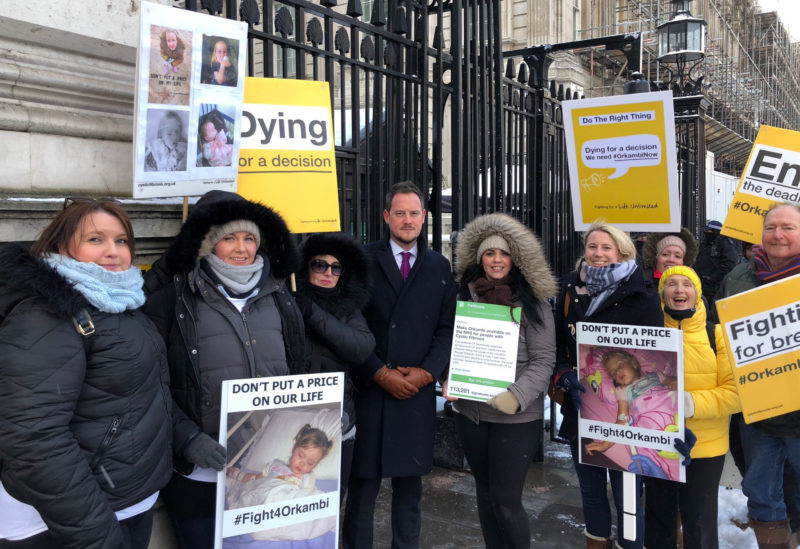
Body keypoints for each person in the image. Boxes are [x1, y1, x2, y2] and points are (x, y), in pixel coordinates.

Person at [0, 197, 175, 548]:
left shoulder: (122, 302)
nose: (113, 251)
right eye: (95, 239)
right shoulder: (46, 316)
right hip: (61, 524)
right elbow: (34, 440)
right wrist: (96, 536)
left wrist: (189, 438)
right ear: (62, 245)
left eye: (121, 240)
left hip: (126, 502)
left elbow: (141, 396)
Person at [143, 190, 305, 549]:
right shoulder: (177, 296)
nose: (241, 248)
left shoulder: (279, 293)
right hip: (201, 471)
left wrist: (318, 412)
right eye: (228, 238)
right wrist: (186, 438)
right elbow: (150, 385)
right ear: (207, 242)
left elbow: (300, 371)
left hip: (264, 466)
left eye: (249, 238)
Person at [342, 181, 457, 549]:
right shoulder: (362, 260)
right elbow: (350, 323)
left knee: (409, 494)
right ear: (386, 216)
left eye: (414, 213)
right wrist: (378, 371)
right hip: (371, 388)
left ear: (424, 217)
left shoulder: (440, 265)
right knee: (362, 493)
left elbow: (446, 327)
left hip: (416, 393)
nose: (407, 221)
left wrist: (427, 372)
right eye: (400, 213)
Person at [443, 212, 557, 548]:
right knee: (485, 495)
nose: (496, 260)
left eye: (504, 253)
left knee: (507, 502)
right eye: (490, 254)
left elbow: (544, 359)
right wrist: (448, 376)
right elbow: (451, 345)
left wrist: (516, 394)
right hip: (472, 414)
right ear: (480, 258)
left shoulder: (533, 303)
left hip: (516, 417)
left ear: (515, 259)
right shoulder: (466, 296)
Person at [552, 220, 664, 549]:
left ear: (621, 251)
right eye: (592, 247)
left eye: (606, 248)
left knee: (627, 495)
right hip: (581, 407)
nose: (598, 254)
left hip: (626, 416)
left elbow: (655, 357)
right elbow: (559, 343)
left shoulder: (641, 294)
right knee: (590, 492)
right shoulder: (570, 288)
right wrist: (564, 375)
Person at [715, 203, 800, 548]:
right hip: (758, 413)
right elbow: (720, 335)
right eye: (771, 228)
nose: (778, 235)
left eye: (788, 227)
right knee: (760, 492)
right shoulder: (738, 278)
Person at [642, 266, 740, 549]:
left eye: (687, 284)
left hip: (706, 448)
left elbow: (735, 394)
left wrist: (691, 403)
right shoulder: (648, 332)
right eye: (671, 284)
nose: (679, 290)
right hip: (659, 442)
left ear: (697, 293)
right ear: (663, 294)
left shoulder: (717, 336)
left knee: (699, 522)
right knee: (659, 519)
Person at [293, 232, 375, 499]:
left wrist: (313, 313)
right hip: (292, 415)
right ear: (306, 266)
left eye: (335, 267)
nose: (327, 272)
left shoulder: (350, 310)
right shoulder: (286, 302)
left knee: (330, 503)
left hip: (338, 422)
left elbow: (360, 348)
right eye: (320, 264)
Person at [227, 424, 333, 489]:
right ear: (293, 449)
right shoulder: (275, 465)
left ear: (314, 466)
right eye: (301, 455)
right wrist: (237, 474)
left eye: (310, 463)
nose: (302, 463)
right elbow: (254, 479)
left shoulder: (307, 480)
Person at [693, 220, 738, 313]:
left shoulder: (725, 244)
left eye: (709, 232)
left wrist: (713, 278)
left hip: (714, 288)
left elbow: (729, 264)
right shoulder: (706, 244)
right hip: (702, 285)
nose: (706, 234)